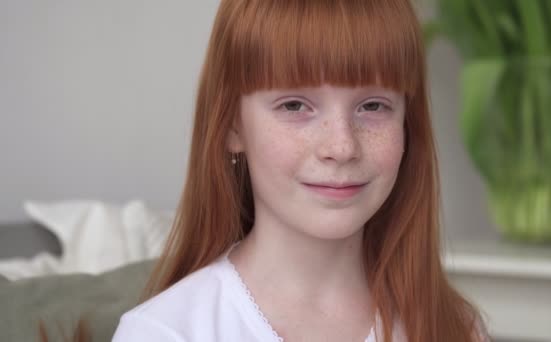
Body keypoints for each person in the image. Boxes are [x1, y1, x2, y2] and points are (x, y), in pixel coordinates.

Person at [112, 0, 490, 341]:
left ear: (408, 124)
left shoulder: (455, 328)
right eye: (294, 106)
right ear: (232, 126)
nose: (341, 147)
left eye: (373, 106)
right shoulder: (163, 333)